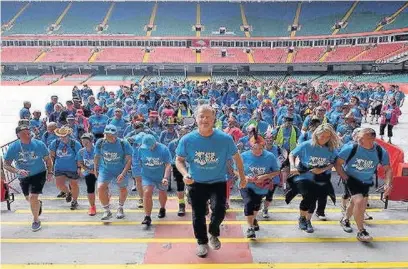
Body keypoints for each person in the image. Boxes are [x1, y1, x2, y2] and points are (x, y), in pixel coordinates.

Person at [175, 104, 247, 258]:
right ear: (196, 118)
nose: (205, 119)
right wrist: (185, 174)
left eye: (208, 116)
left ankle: (213, 233)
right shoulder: (187, 139)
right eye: (201, 116)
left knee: (220, 209)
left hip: (218, 181)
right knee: (198, 214)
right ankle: (201, 242)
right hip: (196, 182)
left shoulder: (224, 139)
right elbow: (179, 160)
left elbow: (237, 158)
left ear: (214, 118)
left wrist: (242, 176)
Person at [336, 128, 392, 242]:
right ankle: (361, 231)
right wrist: (344, 176)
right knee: (359, 202)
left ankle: (345, 219)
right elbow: (337, 163)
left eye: (362, 138)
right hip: (351, 178)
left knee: (354, 203)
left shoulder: (380, 151)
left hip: (366, 180)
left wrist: (388, 184)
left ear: (372, 139)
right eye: (358, 137)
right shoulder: (351, 148)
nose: (359, 140)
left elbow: (388, 169)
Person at [288, 124, 340, 233]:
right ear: (316, 135)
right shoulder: (306, 145)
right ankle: (302, 218)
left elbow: (334, 162)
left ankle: (308, 220)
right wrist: (292, 166)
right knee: (308, 196)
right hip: (305, 172)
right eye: (322, 136)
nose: (324, 139)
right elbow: (292, 154)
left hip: (321, 174)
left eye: (327, 137)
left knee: (314, 198)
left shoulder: (331, 148)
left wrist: (323, 169)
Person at [3, 125, 53, 231]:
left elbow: (48, 160)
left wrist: (50, 172)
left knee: (32, 197)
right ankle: (38, 204)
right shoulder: (14, 147)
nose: (27, 134)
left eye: (28, 131)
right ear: (18, 135)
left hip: (39, 173)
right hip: (23, 176)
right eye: (24, 132)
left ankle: (36, 220)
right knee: (28, 199)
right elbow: (6, 164)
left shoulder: (39, 144)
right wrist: (17, 171)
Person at [239, 133, 281, 239]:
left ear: (264, 146)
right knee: (248, 202)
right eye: (254, 148)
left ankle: (253, 219)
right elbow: (235, 170)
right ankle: (250, 228)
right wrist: (245, 177)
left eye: (260, 148)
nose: (257, 151)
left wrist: (265, 176)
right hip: (246, 184)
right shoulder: (243, 156)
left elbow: (277, 171)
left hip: (261, 186)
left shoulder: (270, 156)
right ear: (250, 147)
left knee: (256, 205)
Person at [94, 125, 132, 220]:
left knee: (122, 188)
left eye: (109, 135)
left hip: (120, 169)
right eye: (106, 134)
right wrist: (95, 169)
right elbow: (97, 156)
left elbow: (129, 160)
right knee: (100, 187)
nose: (107, 136)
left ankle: (120, 207)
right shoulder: (100, 142)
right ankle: (107, 210)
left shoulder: (124, 143)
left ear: (115, 135)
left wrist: (123, 173)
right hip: (105, 169)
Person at [136, 134, 172, 226]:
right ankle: (147, 217)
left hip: (161, 176)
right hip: (147, 175)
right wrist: (137, 175)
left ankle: (162, 208)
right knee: (147, 192)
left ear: (155, 143)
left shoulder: (163, 149)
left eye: (151, 147)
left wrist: (165, 177)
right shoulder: (141, 149)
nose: (149, 148)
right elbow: (138, 161)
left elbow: (168, 164)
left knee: (162, 192)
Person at [49, 127, 82, 210]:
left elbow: (79, 157)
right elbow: (52, 156)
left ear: (68, 135)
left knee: (74, 184)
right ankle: (68, 193)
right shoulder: (55, 143)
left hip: (72, 168)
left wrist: (79, 167)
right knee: (59, 184)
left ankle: (74, 201)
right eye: (61, 136)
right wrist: (50, 168)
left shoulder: (75, 143)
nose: (62, 138)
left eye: (64, 136)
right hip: (59, 167)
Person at [168, 126, 189, 216]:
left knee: (194, 185)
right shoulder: (172, 144)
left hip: (191, 166)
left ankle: (191, 196)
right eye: (180, 134)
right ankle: (181, 205)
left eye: (185, 134)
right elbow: (170, 158)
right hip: (178, 166)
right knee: (180, 186)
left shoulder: (193, 143)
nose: (182, 136)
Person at [77, 133, 97, 216]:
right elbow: (80, 163)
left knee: (103, 188)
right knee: (90, 188)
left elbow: (104, 162)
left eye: (86, 141)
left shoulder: (98, 150)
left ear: (92, 141)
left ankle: (107, 197)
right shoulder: (81, 152)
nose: (84, 143)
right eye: (82, 141)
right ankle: (92, 207)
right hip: (89, 172)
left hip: (100, 172)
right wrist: (88, 170)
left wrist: (96, 171)